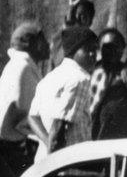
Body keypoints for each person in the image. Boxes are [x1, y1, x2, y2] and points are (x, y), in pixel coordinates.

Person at [0, 21, 50, 177]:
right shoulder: (23, 68)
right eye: (43, 39)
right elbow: (23, 115)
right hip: (0, 146)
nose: (47, 44)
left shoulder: (19, 65)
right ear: (32, 43)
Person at [28, 26, 99, 159]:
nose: (93, 54)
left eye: (95, 49)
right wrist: (54, 154)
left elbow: (33, 117)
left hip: (44, 163)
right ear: (72, 51)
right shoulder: (81, 79)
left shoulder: (48, 78)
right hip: (71, 166)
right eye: (88, 49)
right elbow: (59, 124)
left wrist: (47, 143)